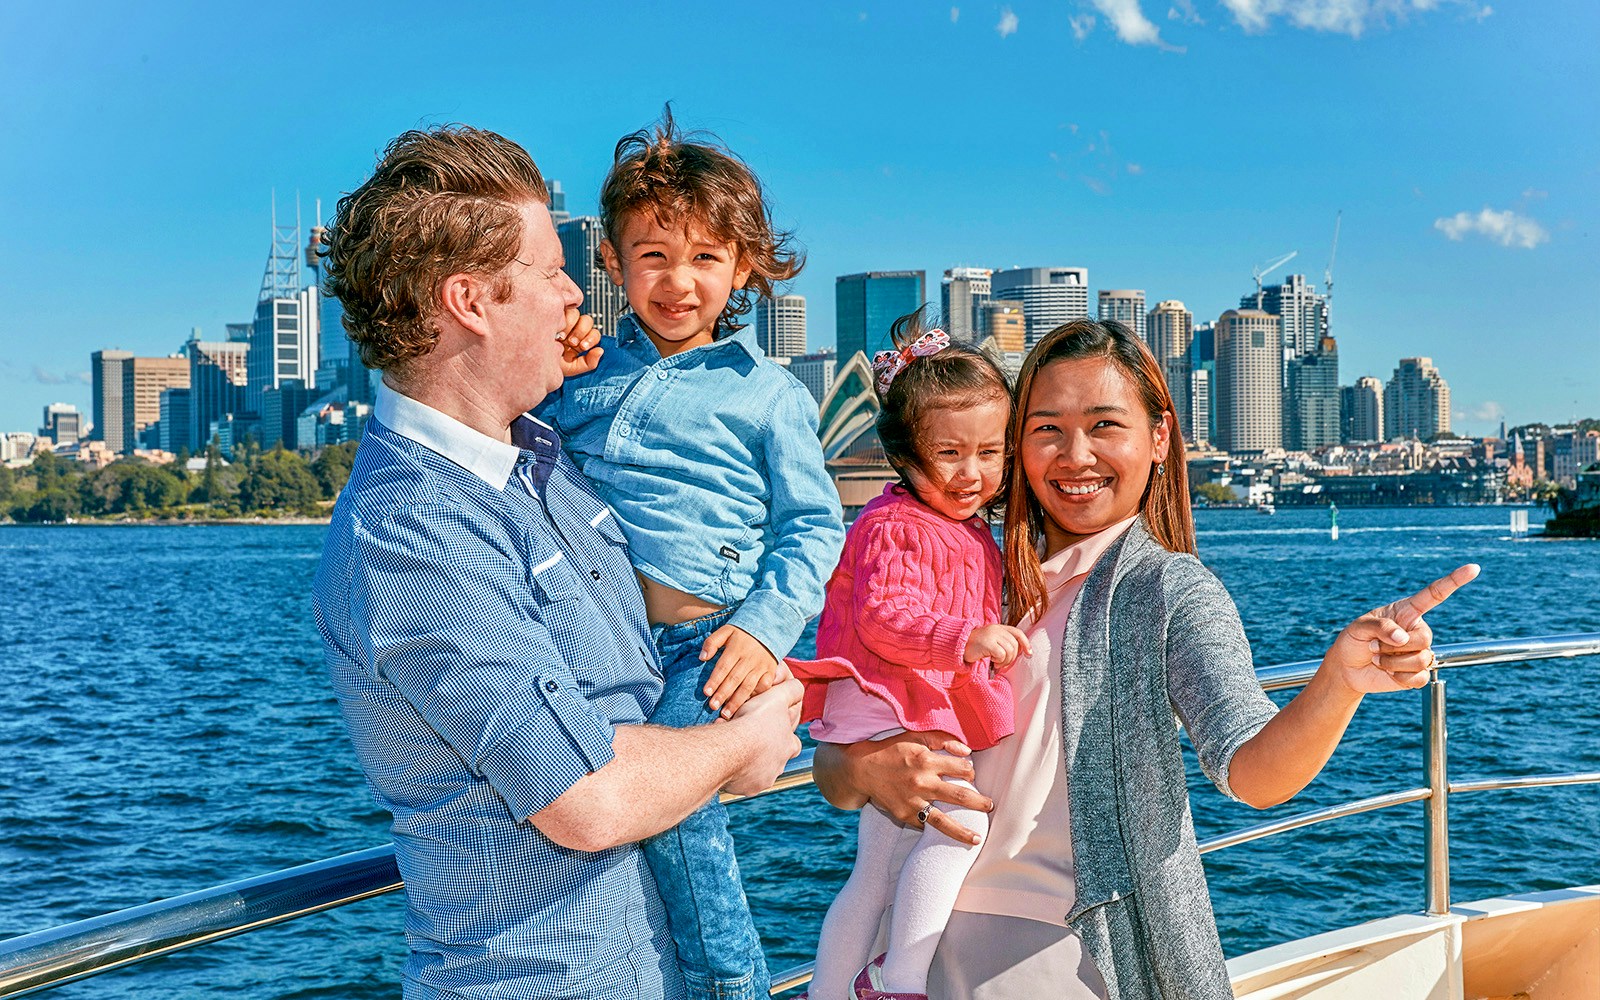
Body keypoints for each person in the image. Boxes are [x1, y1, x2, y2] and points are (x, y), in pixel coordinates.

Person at [814, 319, 1478, 1000]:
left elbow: (1252, 771)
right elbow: (841, 769)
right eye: (1046, 429)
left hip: (1056, 954)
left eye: (1105, 425)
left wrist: (1339, 682)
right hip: (901, 951)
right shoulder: (971, 567)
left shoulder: (1167, 591)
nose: (1075, 455)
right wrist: (857, 763)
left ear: (1159, 438)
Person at [311, 125, 804, 1000]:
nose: (577, 290)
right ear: (470, 299)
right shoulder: (411, 533)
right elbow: (587, 800)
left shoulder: (545, 458)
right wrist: (745, 743)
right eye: (549, 271)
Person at [535, 109, 846, 1000]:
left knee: (676, 814)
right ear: (614, 264)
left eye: (706, 257)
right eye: (653, 257)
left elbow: (813, 527)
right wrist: (543, 366)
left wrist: (761, 627)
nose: (678, 282)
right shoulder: (581, 375)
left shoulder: (769, 394)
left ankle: (728, 985)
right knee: (581, 808)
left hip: (705, 643)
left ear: (744, 268)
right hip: (595, 640)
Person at [788, 311, 1025, 1000]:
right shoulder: (897, 525)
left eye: (989, 452)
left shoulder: (965, 528)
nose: (971, 472)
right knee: (963, 822)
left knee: (878, 872)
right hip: (890, 701)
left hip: (888, 705)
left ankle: (828, 992)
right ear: (905, 453)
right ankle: (898, 980)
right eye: (948, 453)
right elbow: (885, 618)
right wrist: (965, 640)